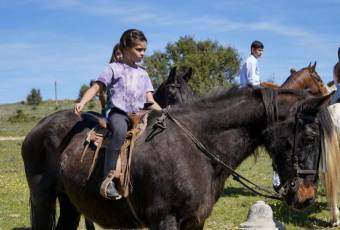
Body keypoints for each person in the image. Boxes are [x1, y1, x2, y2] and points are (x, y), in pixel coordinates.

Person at [74, 29, 162, 200]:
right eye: (138, 49)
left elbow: (150, 101)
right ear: (125, 47)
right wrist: (83, 102)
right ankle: (108, 179)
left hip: (140, 114)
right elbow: (97, 87)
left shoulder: (143, 73)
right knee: (120, 131)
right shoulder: (113, 68)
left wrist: (165, 113)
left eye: (144, 50)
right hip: (119, 113)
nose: (142, 53)